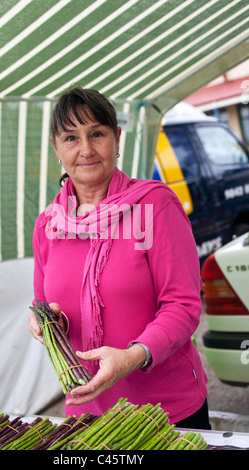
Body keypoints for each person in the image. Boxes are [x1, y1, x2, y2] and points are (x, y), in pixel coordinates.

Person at [28, 87, 211, 430]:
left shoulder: (155, 206)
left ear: (117, 138)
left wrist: (133, 356)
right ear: (56, 147)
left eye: (97, 134)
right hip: (88, 412)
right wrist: (49, 323)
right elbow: (44, 303)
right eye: (71, 138)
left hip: (165, 412)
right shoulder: (48, 225)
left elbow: (183, 305)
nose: (85, 149)